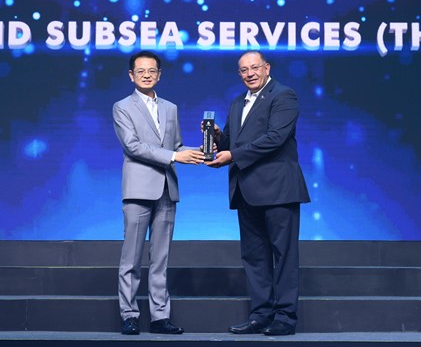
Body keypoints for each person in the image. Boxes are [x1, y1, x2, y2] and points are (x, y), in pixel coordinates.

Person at [207, 51, 310, 336]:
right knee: (254, 257)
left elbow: (275, 138)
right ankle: (260, 315)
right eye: (244, 70)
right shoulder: (237, 102)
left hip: (278, 189)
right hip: (246, 190)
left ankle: (285, 318)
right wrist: (217, 137)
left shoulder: (284, 95)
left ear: (267, 68)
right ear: (239, 74)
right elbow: (232, 144)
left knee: (283, 255)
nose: (250, 73)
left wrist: (232, 155)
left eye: (254, 67)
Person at [112, 50, 205, 335]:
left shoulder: (170, 108)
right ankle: (129, 315)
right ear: (131, 75)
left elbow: (175, 146)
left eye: (151, 71)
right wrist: (176, 157)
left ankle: (159, 317)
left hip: (167, 188)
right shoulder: (122, 107)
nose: (146, 75)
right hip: (138, 190)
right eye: (141, 71)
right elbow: (133, 146)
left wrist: (200, 150)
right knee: (131, 258)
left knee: (160, 259)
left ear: (159, 75)